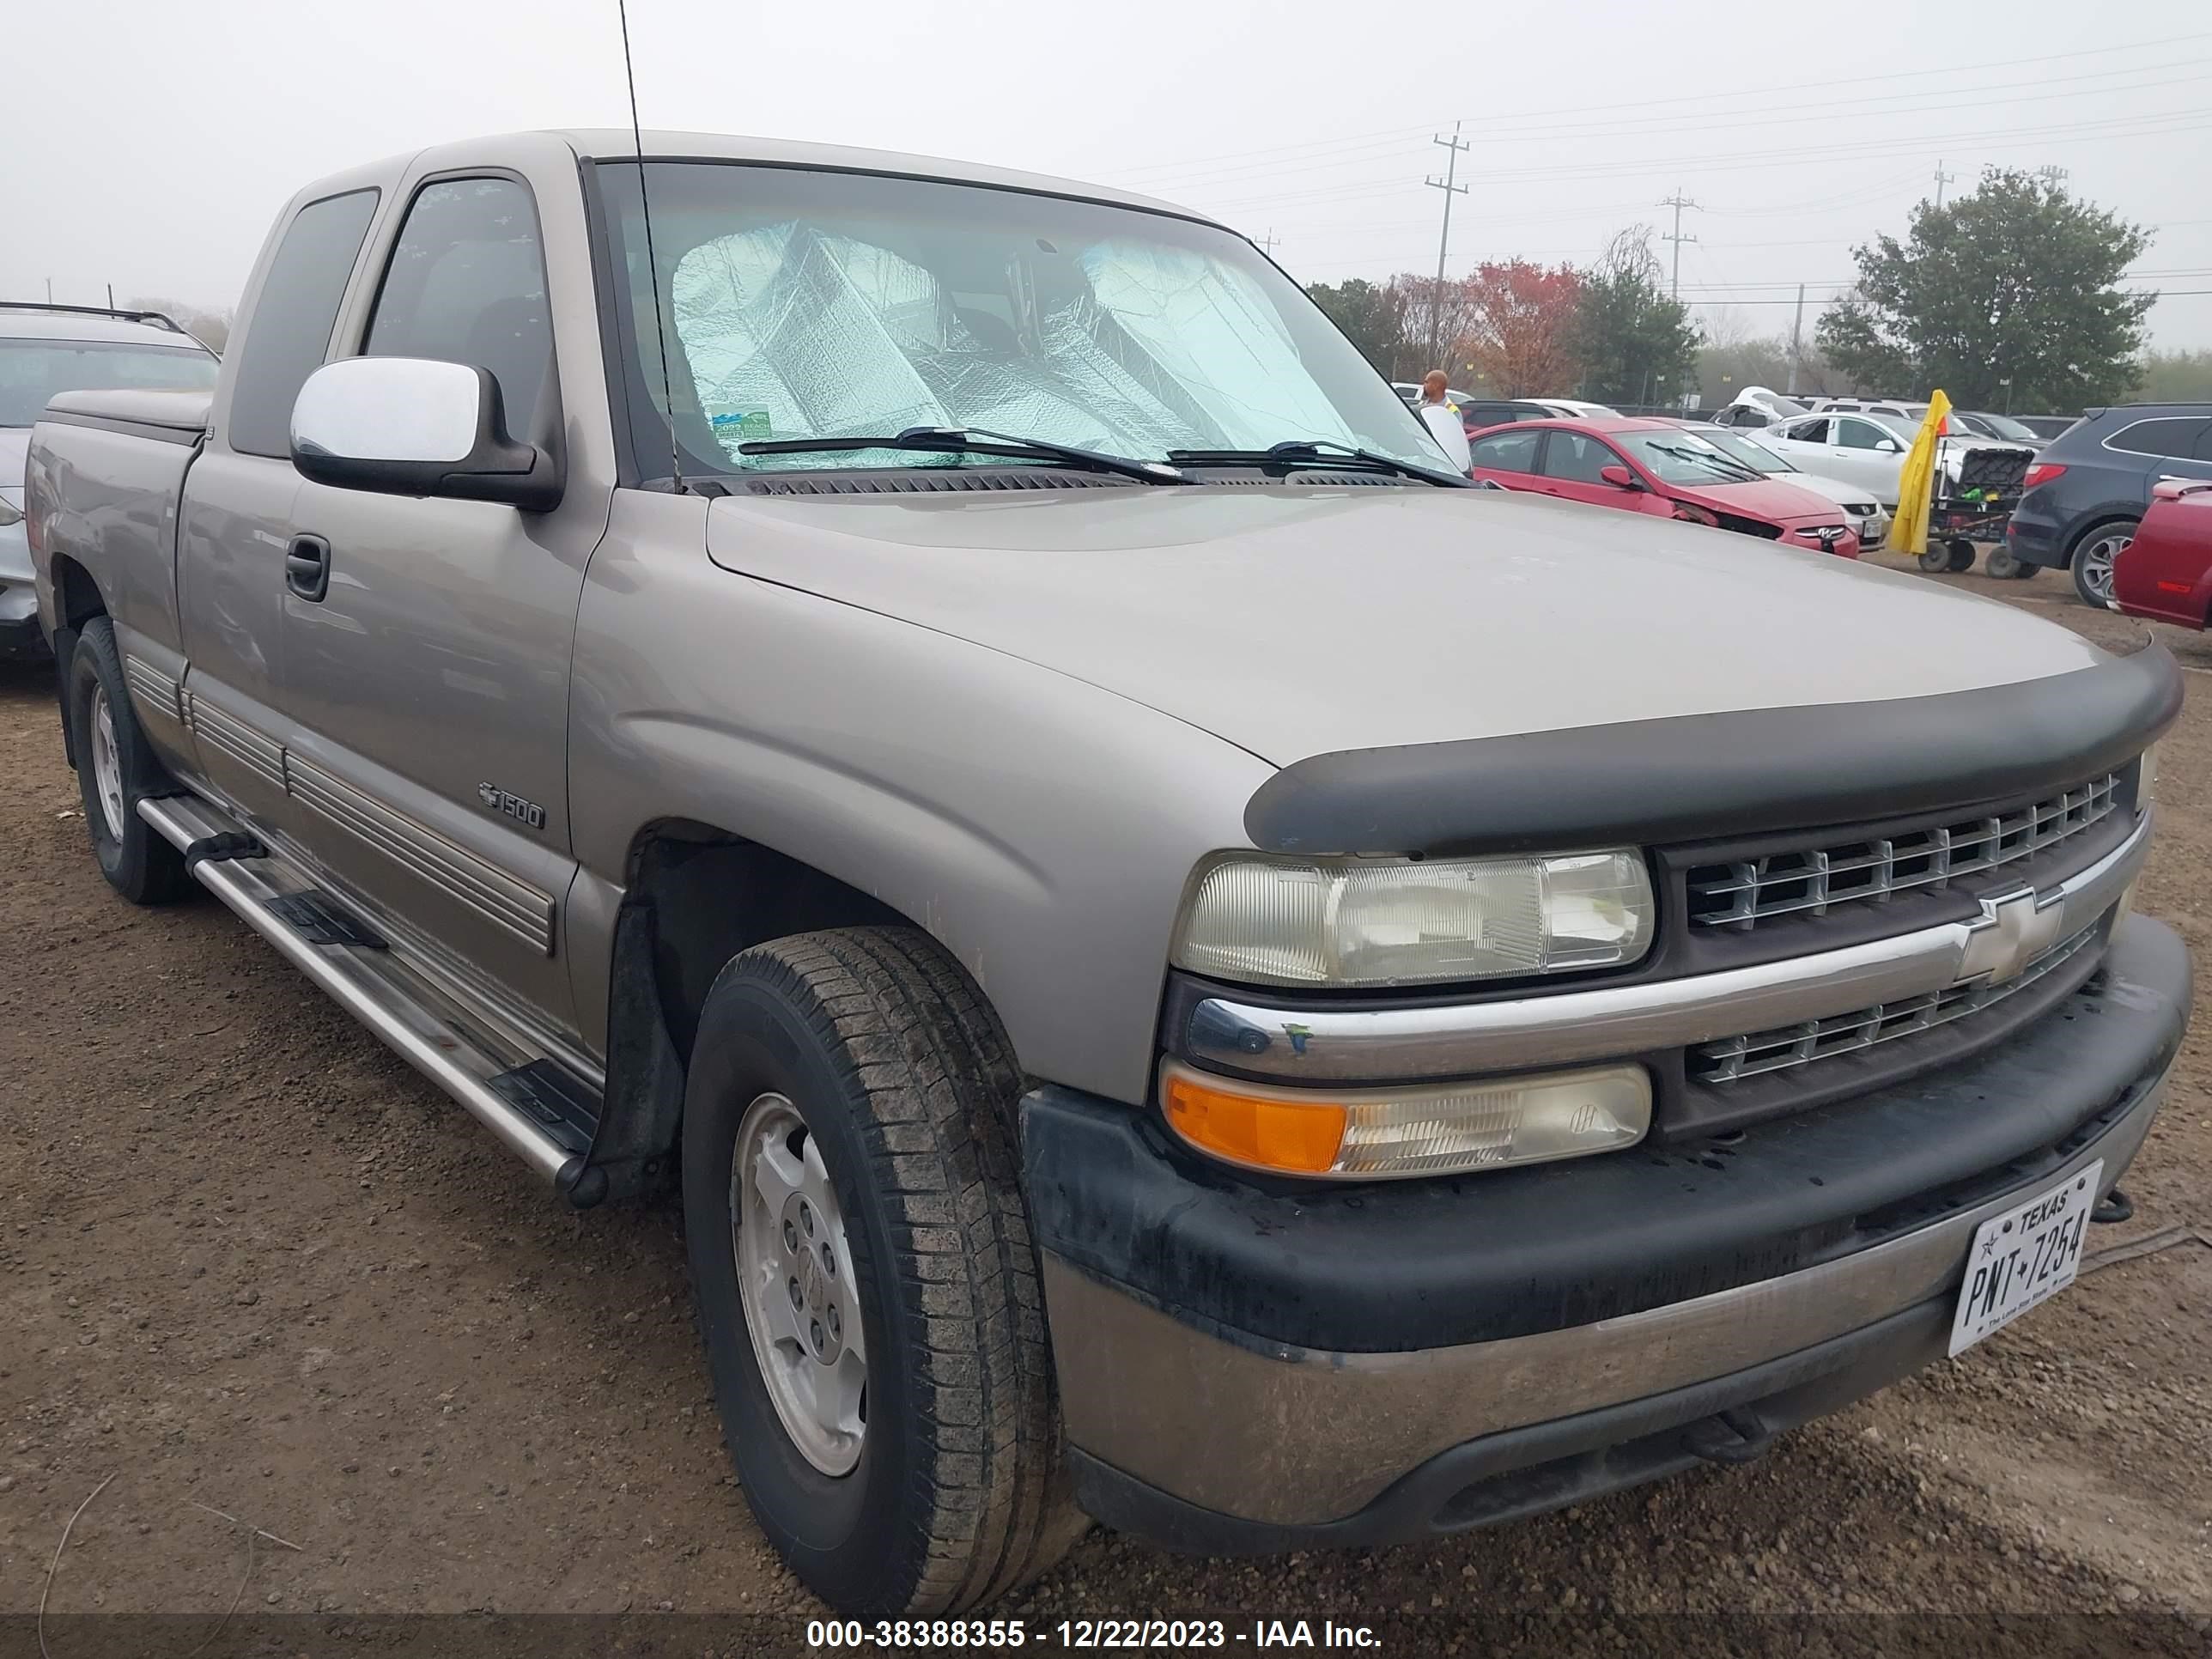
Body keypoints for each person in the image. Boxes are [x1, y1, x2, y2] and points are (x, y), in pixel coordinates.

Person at [1414, 369, 1472, 473]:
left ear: (1436, 385)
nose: (1424, 385)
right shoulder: (1421, 406)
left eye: (1427, 382)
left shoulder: (1451, 411)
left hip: (1441, 467)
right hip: (1422, 463)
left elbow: (1454, 441)